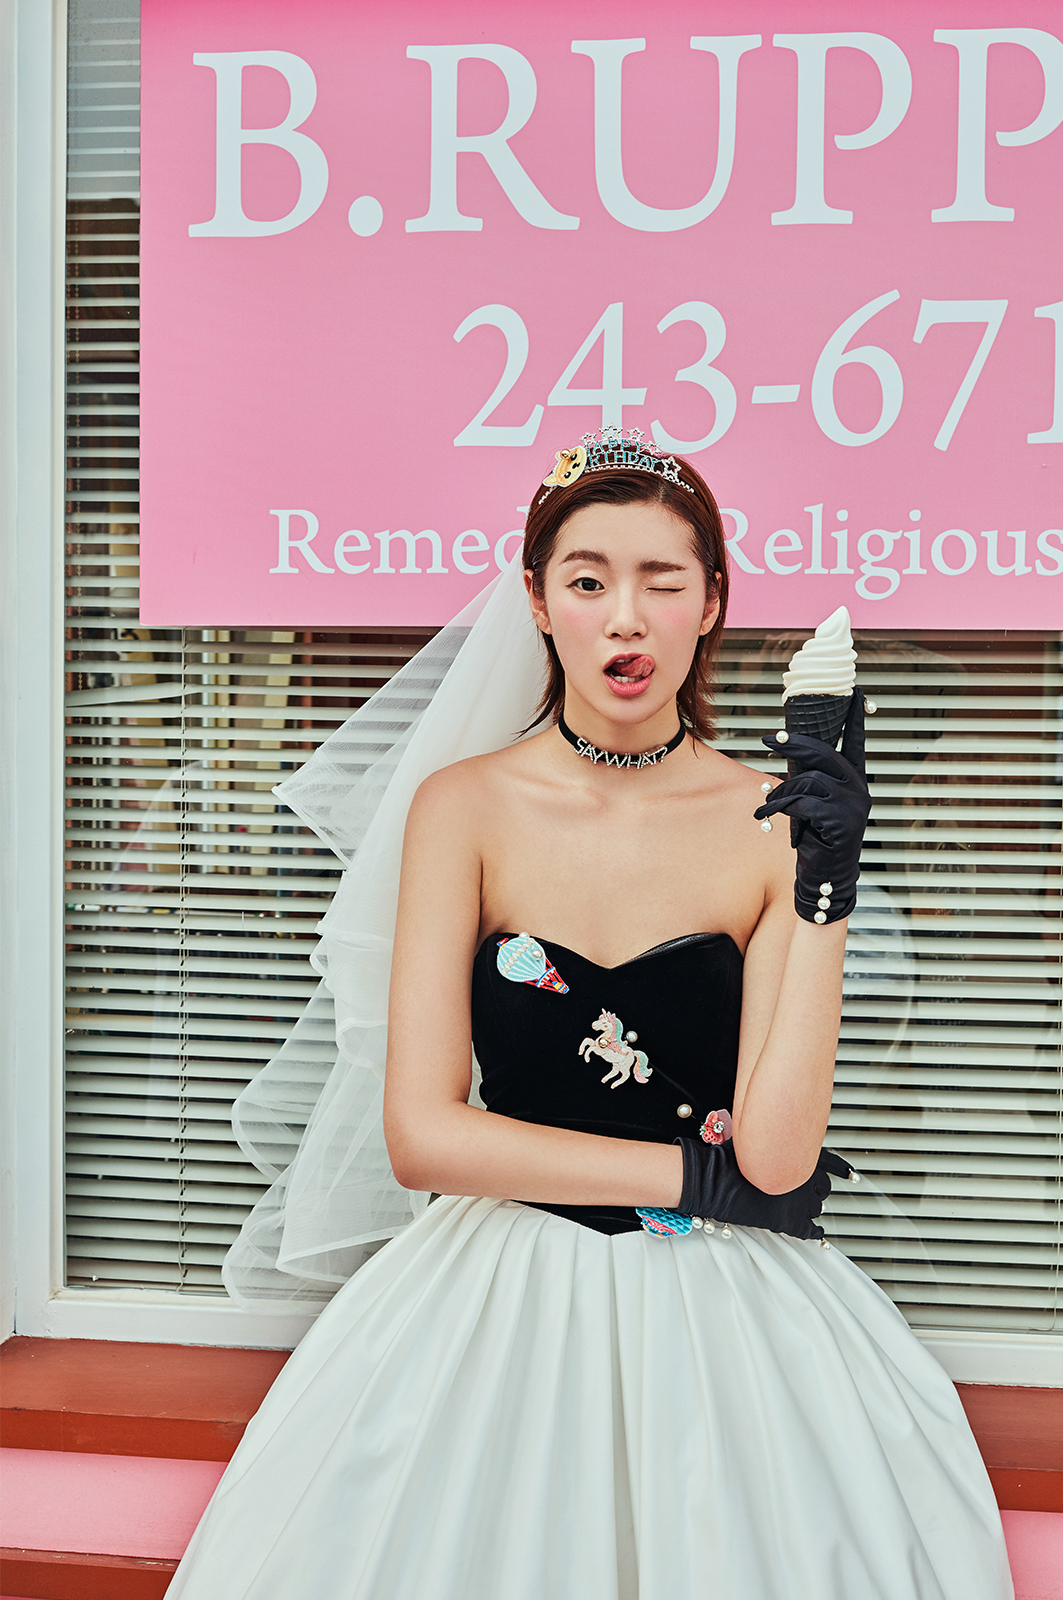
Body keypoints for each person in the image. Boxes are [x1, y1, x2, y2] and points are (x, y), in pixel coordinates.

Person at [166, 430, 1014, 1599]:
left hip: (731, 1319)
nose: (626, 618)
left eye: (662, 582)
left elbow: (777, 1159)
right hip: (494, 1300)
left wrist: (825, 895)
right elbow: (423, 1135)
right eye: (587, 580)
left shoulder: (770, 825)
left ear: (711, 602)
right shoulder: (462, 808)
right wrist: (687, 1177)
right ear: (537, 600)